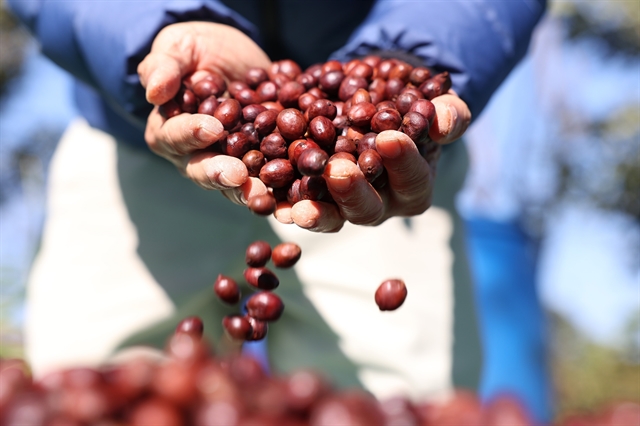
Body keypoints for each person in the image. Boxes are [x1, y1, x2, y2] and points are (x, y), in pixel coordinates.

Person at [7, 0, 546, 406]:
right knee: (98, 395)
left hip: (376, 175)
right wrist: (149, 31)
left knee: (398, 401)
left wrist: (422, 55)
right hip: (133, 129)